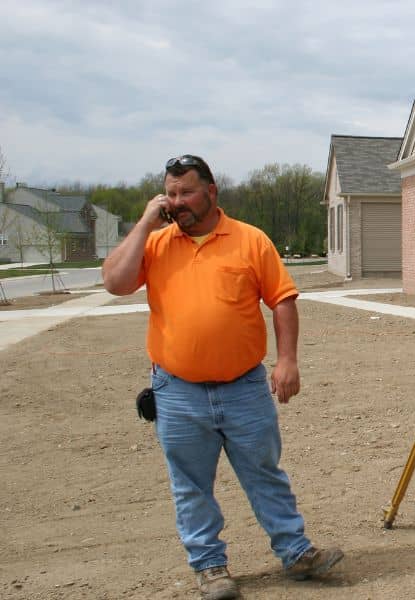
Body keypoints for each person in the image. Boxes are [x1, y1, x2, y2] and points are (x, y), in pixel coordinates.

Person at [102, 155, 341, 600]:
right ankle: (211, 568)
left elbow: (283, 300)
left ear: (212, 192)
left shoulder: (249, 240)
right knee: (191, 485)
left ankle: (296, 553)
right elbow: (115, 282)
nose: (177, 202)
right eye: (170, 194)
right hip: (177, 391)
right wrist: (145, 222)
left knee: (264, 473)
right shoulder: (154, 244)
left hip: (244, 386)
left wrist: (286, 360)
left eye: (186, 192)